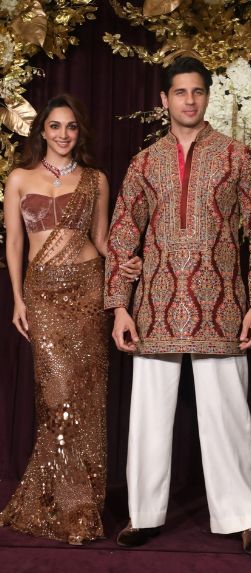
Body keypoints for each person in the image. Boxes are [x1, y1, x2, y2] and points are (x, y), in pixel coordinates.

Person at [104, 56, 251, 557]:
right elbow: (122, 234)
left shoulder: (237, 157)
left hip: (221, 306)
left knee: (227, 415)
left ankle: (246, 518)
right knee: (149, 417)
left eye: (197, 91)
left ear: (208, 97)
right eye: (180, 92)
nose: (189, 100)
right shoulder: (144, 162)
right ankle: (143, 515)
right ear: (165, 100)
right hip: (155, 306)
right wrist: (119, 306)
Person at [1, 94, 140, 544]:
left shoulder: (96, 180)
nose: (64, 134)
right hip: (42, 294)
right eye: (56, 126)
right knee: (57, 397)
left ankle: (80, 507)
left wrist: (122, 263)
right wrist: (18, 299)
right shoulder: (19, 178)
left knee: (87, 398)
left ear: (79, 133)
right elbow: (15, 244)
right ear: (42, 130)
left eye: (71, 127)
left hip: (87, 290)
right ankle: (59, 498)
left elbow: (101, 237)